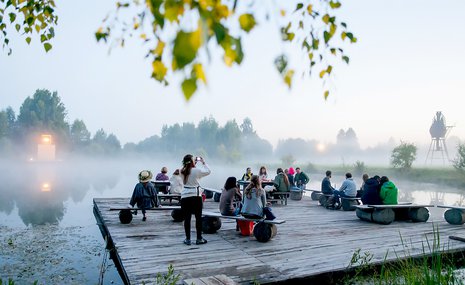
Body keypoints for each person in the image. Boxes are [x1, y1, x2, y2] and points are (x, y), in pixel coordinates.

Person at [180, 154, 211, 245]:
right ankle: (199, 238)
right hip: (196, 196)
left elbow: (188, 169)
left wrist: (193, 163)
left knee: (187, 219)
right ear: (193, 162)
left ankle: (188, 239)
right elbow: (208, 171)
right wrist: (203, 162)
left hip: (185, 196)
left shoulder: (181, 171)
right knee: (198, 218)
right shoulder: (197, 170)